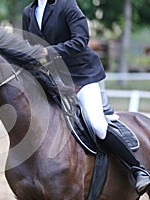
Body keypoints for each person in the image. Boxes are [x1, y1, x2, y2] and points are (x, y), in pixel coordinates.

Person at [22, 0, 150, 196]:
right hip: (54, 80)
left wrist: (50, 51)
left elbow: (81, 39)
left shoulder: (66, 4)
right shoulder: (28, 12)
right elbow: (28, 47)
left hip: (82, 76)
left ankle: (137, 169)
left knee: (97, 124)